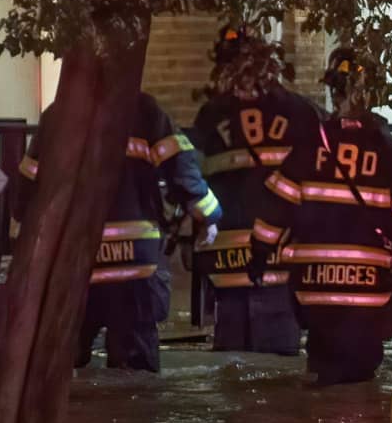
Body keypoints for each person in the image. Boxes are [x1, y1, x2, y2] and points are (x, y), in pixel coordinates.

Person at [279, 46, 392, 387]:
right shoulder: (390, 151)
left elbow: (277, 209)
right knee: (361, 385)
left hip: (312, 289)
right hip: (368, 292)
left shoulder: (308, 146)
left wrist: (263, 256)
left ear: (333, 91)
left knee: (321, 375)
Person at [190, 28, 318, 356]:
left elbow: (194, 182)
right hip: (283, 253)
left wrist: (188, 239)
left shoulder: (211, 115)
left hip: (225, 257)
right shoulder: (299, 112)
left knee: (232, 369)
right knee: (277, 371)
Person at [79, 95, 205, 372]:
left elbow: (27, 192)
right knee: (135, 360)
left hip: (80, 260)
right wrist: (209, 214)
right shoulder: (145, 110)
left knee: (68, 355)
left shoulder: (61, 112)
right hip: (134, 258)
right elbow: (181, 169)